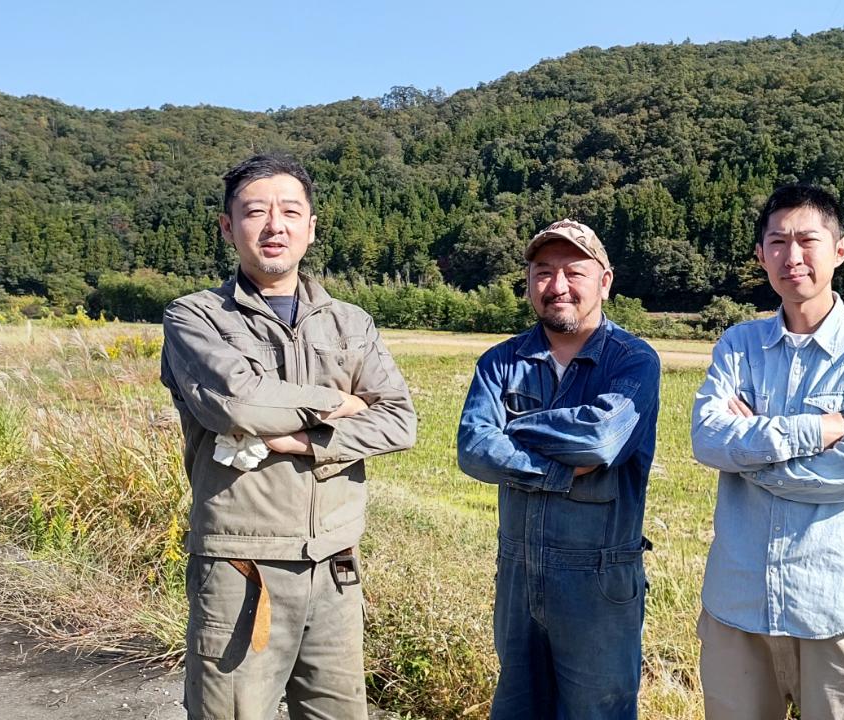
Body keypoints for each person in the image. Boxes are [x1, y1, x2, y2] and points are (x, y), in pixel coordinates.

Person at [160, 152, 416, 720]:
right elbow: (239, 403)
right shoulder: (195, 318)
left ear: (311, 227)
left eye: (290, 212)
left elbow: (400, 420)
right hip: (241, 565)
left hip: (336, 563)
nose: (274, 225)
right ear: (227, 226)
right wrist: (341, 403)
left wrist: (304, 441)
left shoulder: (350, 322)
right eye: (255, 212)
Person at [690, 184, 844, 719]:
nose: (792, 256)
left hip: (834, 609)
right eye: (777, 242)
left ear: (840, 249)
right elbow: (707, 438)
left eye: (807, 240)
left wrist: (754, 457)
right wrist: (819, 429)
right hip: (737, 605)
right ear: (760, 254)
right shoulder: (738, 345)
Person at [456, 219, 661, 719]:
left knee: (597, 712)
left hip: (599, 581)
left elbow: (600, 440)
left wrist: (515, 428)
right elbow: (473, 448)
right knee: (518, 707)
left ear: (604, 282)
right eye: (544, 272)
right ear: (528, 283)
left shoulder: (633, 361)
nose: (558, 285)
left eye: (574, 272)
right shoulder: (502, 361)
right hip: (517, 573)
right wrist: (560, 472)